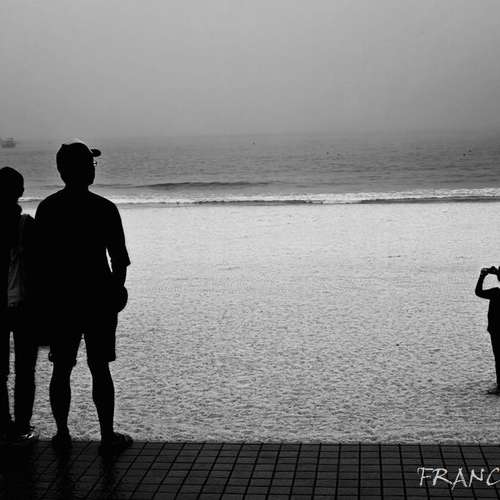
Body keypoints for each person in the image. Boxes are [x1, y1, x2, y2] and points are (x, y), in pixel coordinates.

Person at [35, 140, 132, 454]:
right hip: (98, 298)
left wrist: (44, 301)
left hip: (61, 300)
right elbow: (119, 260)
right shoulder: (104, 208)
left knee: (61, 368)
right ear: (79, 170)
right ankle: (107, 436)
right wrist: (117, 291)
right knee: (99, 367)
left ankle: (62, 434)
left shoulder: (48, 208)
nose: (93, 168)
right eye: (90, 164)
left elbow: (40, 263)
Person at [0, 166, 39, 444]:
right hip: (26, 306)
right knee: (25, 370)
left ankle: (3, 425)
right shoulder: (28, 225)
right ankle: (22, 427)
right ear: (21, 192)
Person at [475, 266, 500, 395]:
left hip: (496, 330)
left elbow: (478, 292)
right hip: (495, 330)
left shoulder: (495, 293)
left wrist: (483, 275)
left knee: (498, 357)